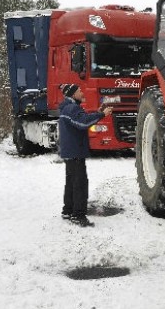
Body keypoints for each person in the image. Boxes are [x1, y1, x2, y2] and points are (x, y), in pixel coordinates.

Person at [58, 83, 112, 227]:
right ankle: (78, 215)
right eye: (79, 90)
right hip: (75, 152)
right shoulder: (71, 108)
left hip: (71, 152)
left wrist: (97, 112)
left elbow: (82, 117)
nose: (82, 92)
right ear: (72, 94)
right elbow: (83, 122)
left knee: (71, 183)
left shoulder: (68, 108)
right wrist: (102, 114)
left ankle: (68, 210)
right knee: (80, 184)